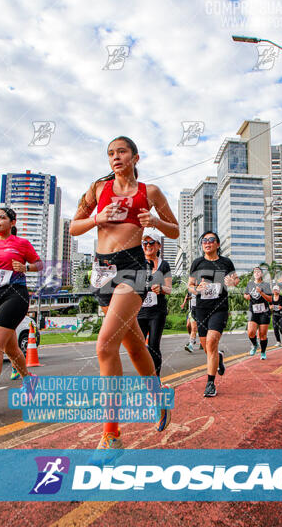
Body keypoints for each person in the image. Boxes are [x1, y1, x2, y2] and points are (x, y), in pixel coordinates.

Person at [70, 136, 179, 451]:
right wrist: (97, 219)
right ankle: (159, 398)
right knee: (133, 346)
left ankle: (111, 436)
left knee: (105, 346)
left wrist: (154, 221)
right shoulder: (97, 189)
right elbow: (74, 227)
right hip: (102, 269)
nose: (115, 157)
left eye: (121, 152)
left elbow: (174, 230)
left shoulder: (150, 192)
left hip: (132, 267)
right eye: (110, 153)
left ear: (135, 157)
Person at [0, 207, 43, 416]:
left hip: (15, 295)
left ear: (12, 222)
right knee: (10, 348)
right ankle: (29, 380)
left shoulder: (21, 244)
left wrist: (26, 268)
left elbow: (39, 264)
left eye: (2, 218)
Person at [188, 231, 239, 397]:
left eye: (211, 240)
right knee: (206, 347)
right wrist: (196, 289)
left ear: (217, 244)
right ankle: (219, 357)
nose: (207, 242)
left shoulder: (225, 263)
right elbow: (190, 286)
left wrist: (232, 281)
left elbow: (235, 280)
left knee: (211, 342)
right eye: (204, 240)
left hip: (220, 308)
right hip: (201, 309)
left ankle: (210, 383)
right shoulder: (197, 263)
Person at [137, 230, 172, 376]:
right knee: (138, 348)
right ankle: (145, 377)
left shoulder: (164, 265)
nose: (148, 245)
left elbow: (169, 289)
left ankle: (155, 380)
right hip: (139, 311)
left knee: (153, 346)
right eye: (145, 243)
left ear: (158, 246)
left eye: (151, 242)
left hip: (157, 312)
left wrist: (161, 288)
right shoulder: (137, 263)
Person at [244, 267, 272, 359]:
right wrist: (247, 296)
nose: (256, 273)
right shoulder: (250, 284)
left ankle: (263, 352)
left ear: (261, 274)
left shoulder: (266, 285)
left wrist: (261, 292)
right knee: (250, 332)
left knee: (263, 334)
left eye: (258, 271)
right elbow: (245, 294)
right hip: (253, 311)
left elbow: (270, 299)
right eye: (255, 271)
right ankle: (255, 345)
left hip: (264, 312)